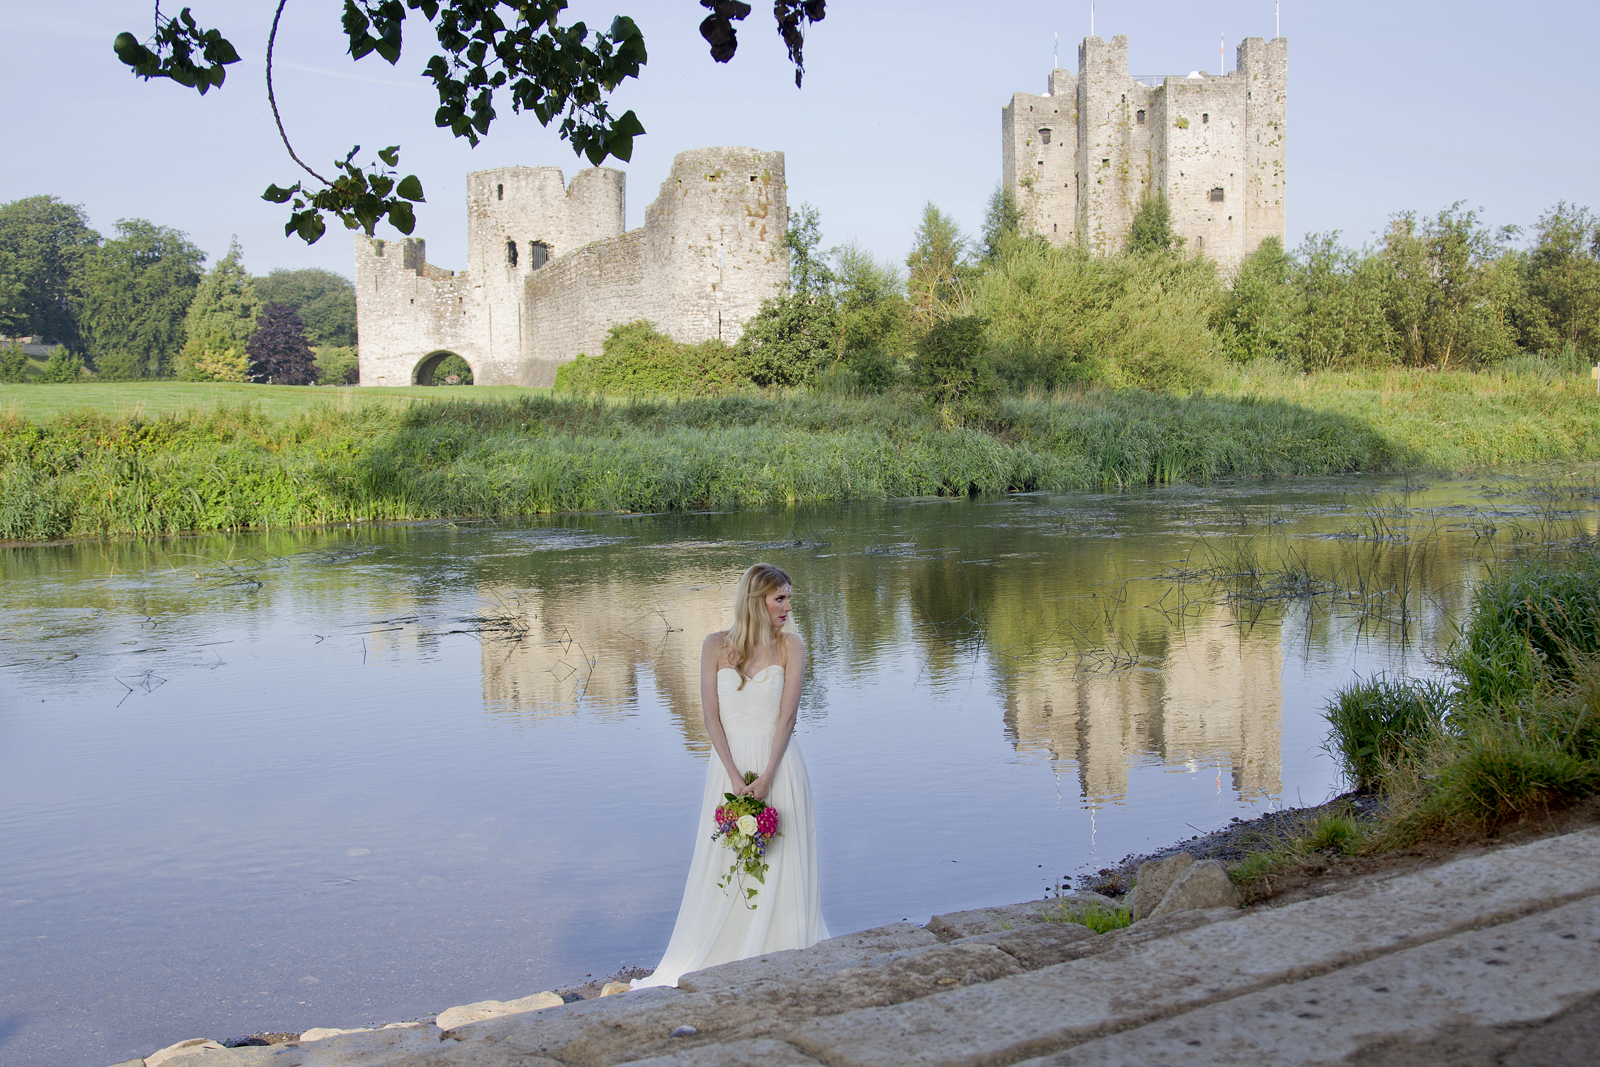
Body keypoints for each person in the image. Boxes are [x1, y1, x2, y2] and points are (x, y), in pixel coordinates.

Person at [633, 563, 828, 988]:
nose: (787, 606)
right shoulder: (715, 646)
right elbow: (710, 716)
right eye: (780, 598)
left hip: (779, 767)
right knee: (725, 858)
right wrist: (735, 778)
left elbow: (789, 716)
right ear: (756, 600)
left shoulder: (791, 646)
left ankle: (785, 948)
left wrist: (767, 776)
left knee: (780, 859)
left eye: (788, 597)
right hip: (729, 768)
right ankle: (724, 947)